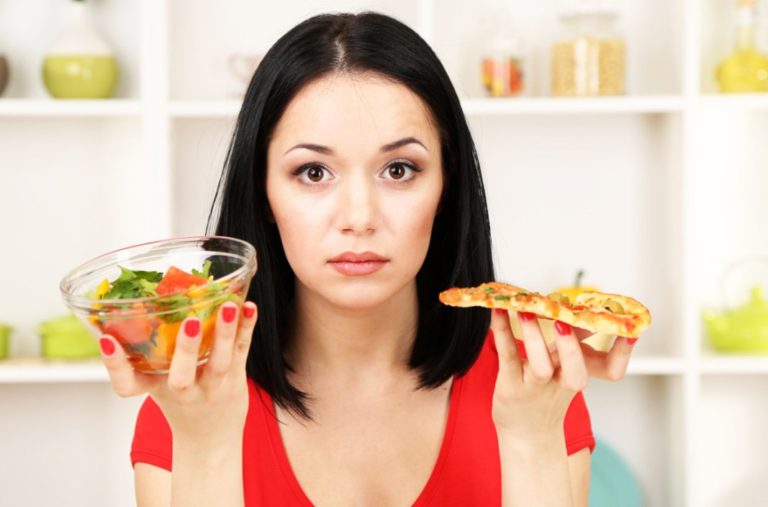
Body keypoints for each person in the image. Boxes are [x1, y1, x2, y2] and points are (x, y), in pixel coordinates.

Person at [98, 11, 639, 506]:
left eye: (399, 170)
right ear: (262, 193)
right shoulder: (189, 405)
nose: (359, 217)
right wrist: (208, 445)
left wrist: (531, 440)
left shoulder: (535, 390)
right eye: (313, 172)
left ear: (446, 186)